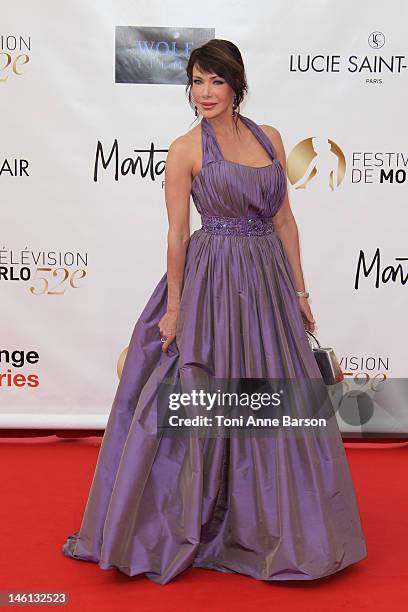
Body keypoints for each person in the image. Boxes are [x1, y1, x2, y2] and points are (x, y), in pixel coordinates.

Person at [62, 39, 367, 584]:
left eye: (215, 82)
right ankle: (184, 524)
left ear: (236, 84)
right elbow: (177, 234)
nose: (204, 93)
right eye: (197, 82)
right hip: (214, 283)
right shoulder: (184, 150)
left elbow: (285, 221)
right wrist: (175, 307)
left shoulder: (268, 137)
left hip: (267, 283)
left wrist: (300, 294)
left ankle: (279, 528)